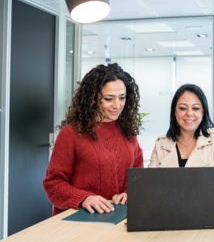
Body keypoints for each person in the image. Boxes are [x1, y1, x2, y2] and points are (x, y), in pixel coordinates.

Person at [43, 63, 144, 215]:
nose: (117, 105)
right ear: (93, 98)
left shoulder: (127, 131)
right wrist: (84, 198)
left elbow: (137, 173)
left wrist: (130, 191)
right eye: (109, 98)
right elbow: (53, 184)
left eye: (122, 97)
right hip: (79, 220)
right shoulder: (71, 133)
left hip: (119, 218)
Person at [149, 84, 214, 208]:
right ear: (175, 111)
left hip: (206, 213)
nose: (189, 113)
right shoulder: (160, 144)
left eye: (195, 108)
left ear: (203, 111)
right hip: (167, 213)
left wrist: (212, 205)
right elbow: (150, 187)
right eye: (183, 108)